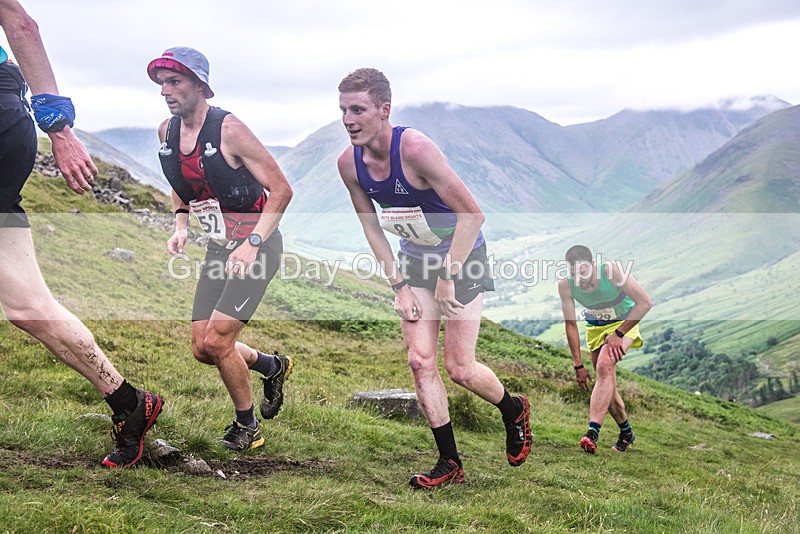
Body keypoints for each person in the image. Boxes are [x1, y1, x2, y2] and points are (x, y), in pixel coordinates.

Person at [337, 68, 532, 489]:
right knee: (419, 360)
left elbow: (472, 215)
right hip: (415, 260)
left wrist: (449, 275)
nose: (348, 119)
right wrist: (398, 285)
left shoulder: (416, 150)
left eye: (358, 109)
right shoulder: (348, 164)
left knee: (459, 367)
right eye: (343, 110)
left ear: (384, 110)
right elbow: (371, 227)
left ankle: (513, 409)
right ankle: (449, 462)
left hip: (462, 253)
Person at [0, 0, 162, 468]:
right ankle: (130, 403)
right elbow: (19, 22)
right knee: (26, 306)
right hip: (9, 118)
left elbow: (19, 21)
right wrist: (55, 126)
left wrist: (59, 125)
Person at [148, 47, 294, 451]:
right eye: (162, 83)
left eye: (174, 82)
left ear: (201, 86)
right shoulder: (167, 132)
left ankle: (248, 427)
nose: (165, 91)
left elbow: (281, 190)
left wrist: (252, 243)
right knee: (202, 348)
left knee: (217, 341)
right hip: (218, 248)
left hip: (256, 248)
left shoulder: (229, 130)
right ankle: (271, 366)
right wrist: (181, 225)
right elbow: (181, 183)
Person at [557, 245, 653, 454]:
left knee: (603, 366)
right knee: (606, 381)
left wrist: (619, 334)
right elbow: (571, 325)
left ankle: (592, 433)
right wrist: (578, 365)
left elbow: (645, 303)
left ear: (593, 265)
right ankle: (626, 432)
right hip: (595, 329)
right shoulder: (566, 285)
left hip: (624, 324)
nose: (579, 278)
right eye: (573, 273)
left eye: (582, 272)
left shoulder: (611, 271)